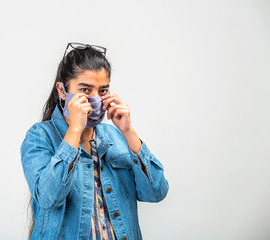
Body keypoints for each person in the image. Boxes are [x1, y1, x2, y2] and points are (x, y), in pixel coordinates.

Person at [20, 42, 169, 240]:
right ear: (63, 91)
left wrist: (129, 132)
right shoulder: (40, 137)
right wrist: (74, 130)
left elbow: (156, 192)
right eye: (85, 90)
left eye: (102, 91)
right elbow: (49, 197)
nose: (95, 99)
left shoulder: (116, 136)